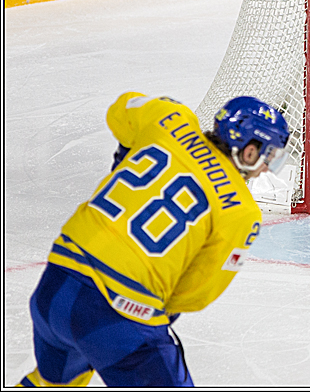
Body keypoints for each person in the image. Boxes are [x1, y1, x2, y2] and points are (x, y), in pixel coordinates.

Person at [18, 93, 289, 387]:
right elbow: (196, 293)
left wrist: (126, 155)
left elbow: (120, 110)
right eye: (270, 156)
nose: (267, 168)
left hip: (55, 285)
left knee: (52, 383)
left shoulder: (170, 117)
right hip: (118, 313)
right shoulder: (241, 211)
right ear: (249, 150)